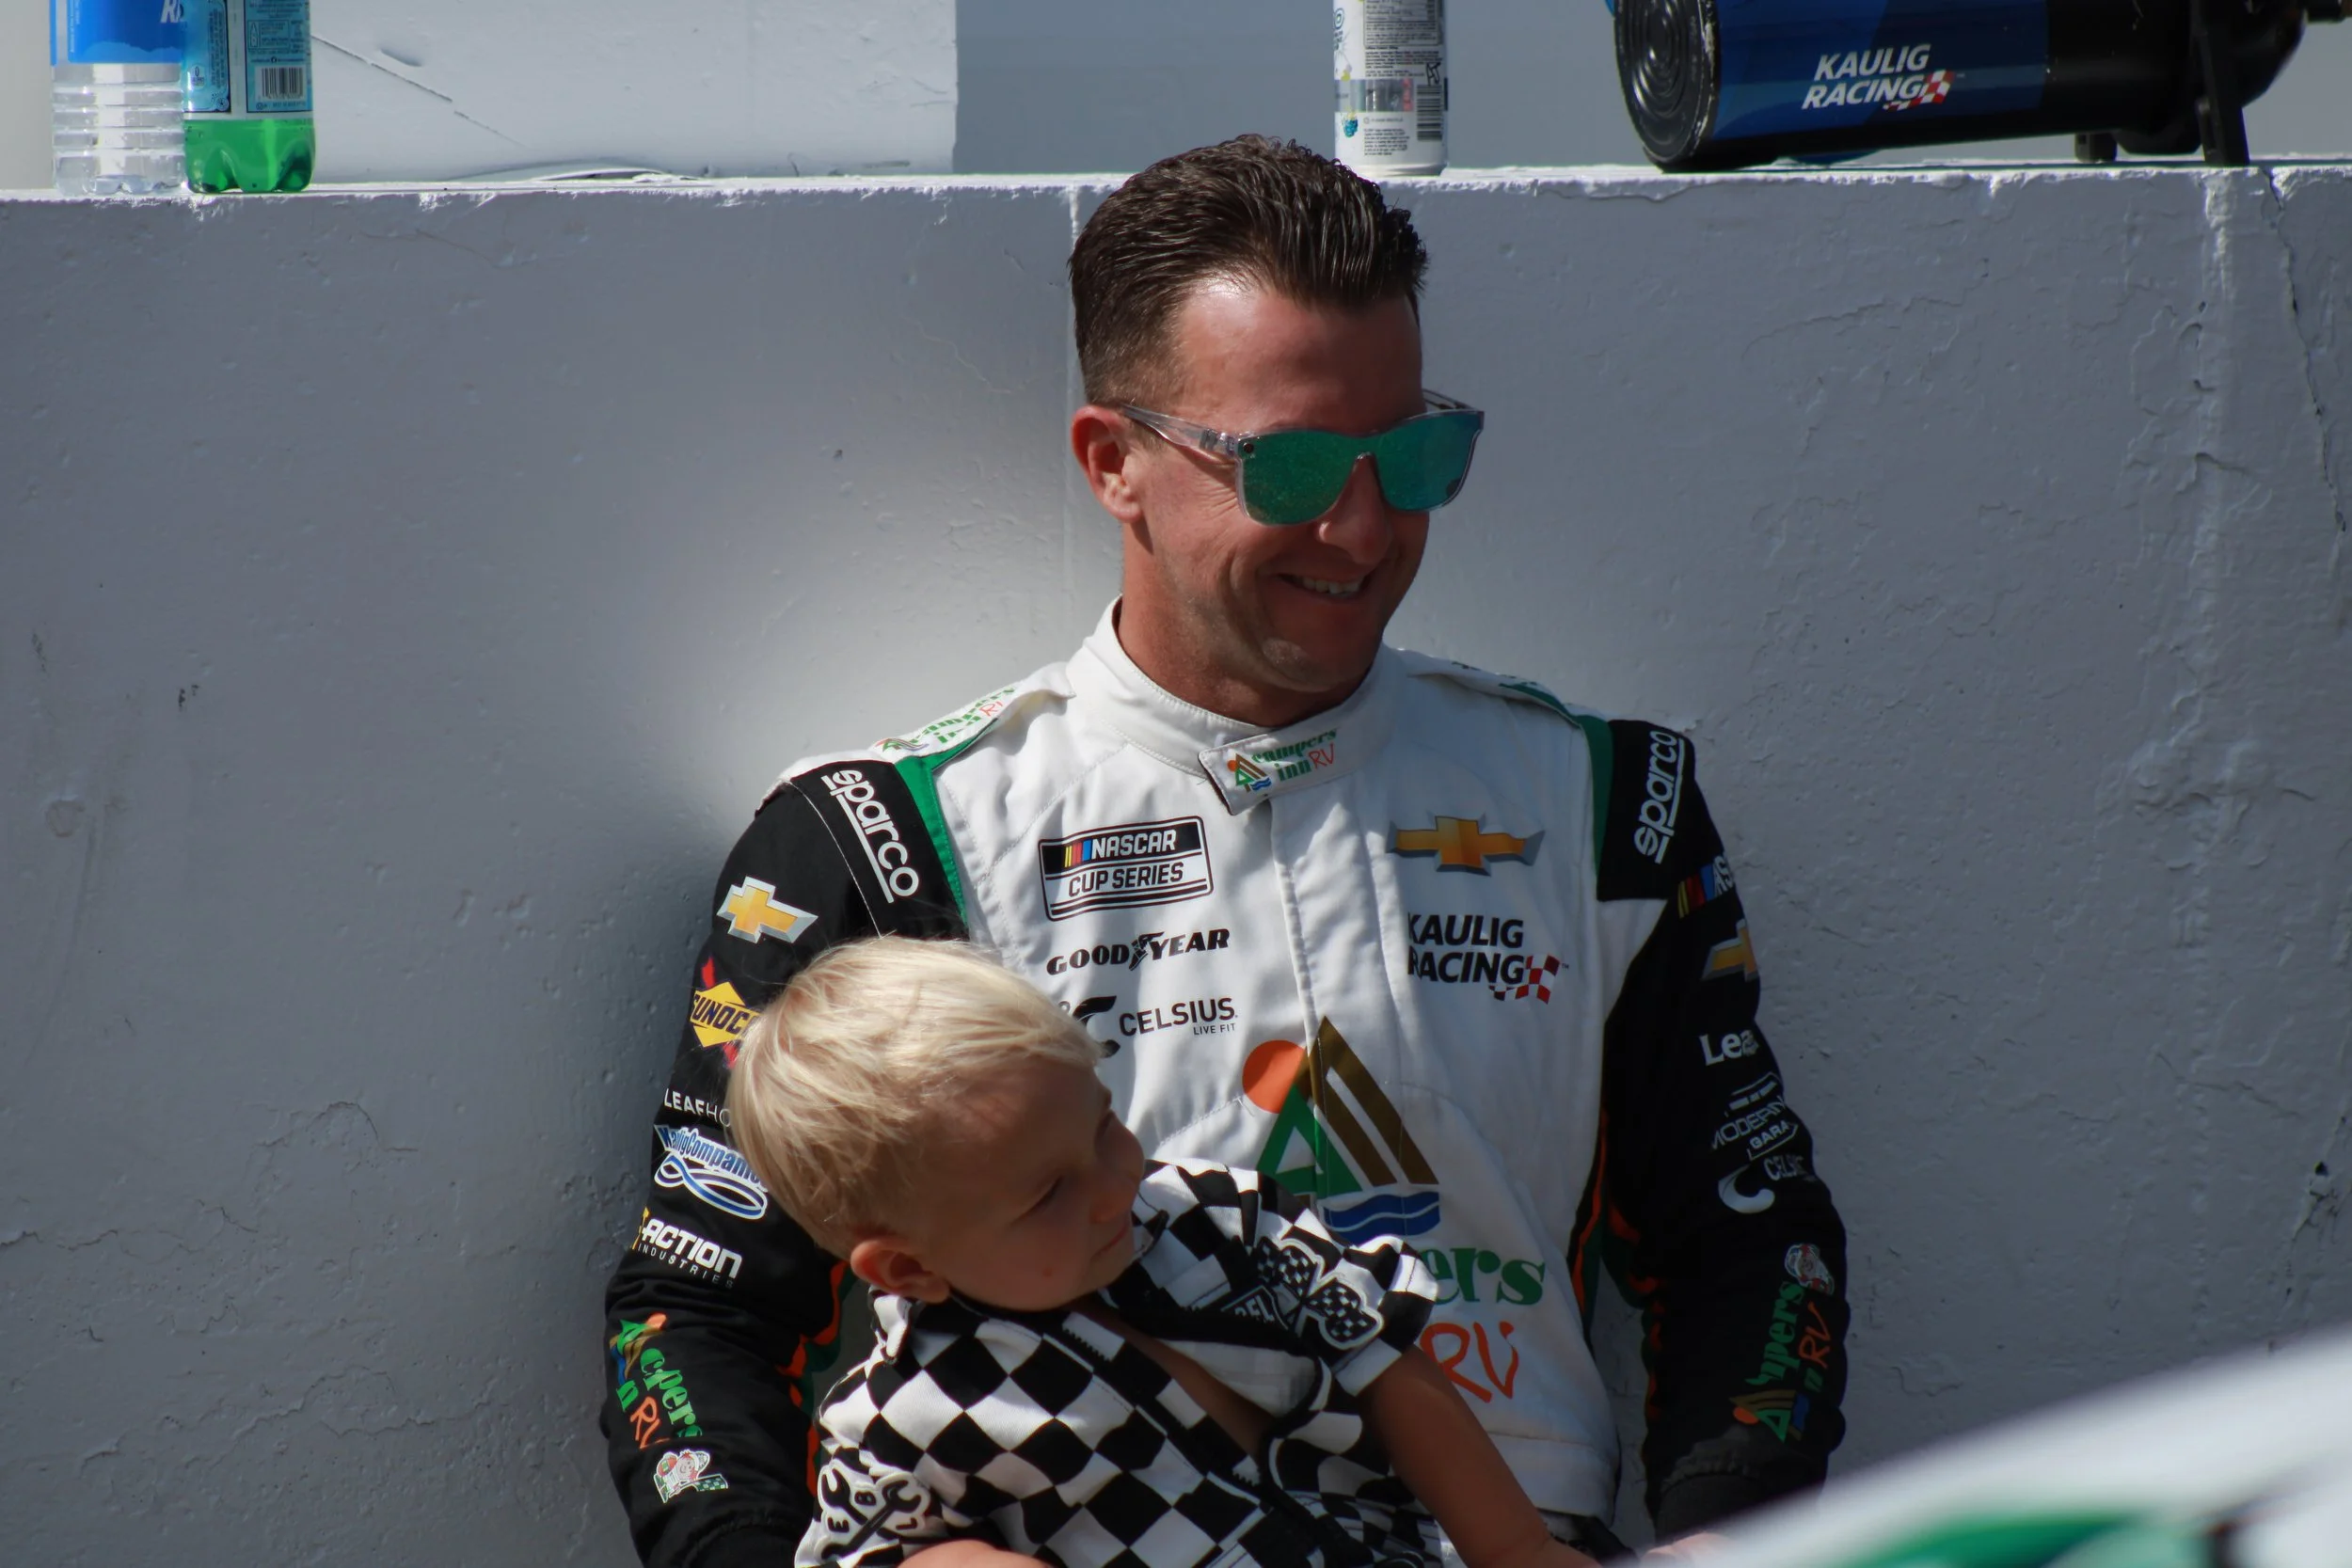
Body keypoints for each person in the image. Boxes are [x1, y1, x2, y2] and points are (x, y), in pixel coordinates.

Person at [601, 135, 1850, 1568]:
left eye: (1412, 455)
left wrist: (1722, 1544)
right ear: (1113, 462)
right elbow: (693, 1304)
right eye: (1293, 465)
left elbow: (1752, 1238)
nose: (1362, 526)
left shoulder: (1604, 798)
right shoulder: (875, 835)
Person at [725, 936, 1595, 1568]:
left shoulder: (1216, 1218)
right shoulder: (905, 1415)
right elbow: (863, 1552)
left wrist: (1516, 1549)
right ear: (910, 1269)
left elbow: (1383, 1356)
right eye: (1048, 1194)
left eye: (1105, 1125)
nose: (1115, 1185)